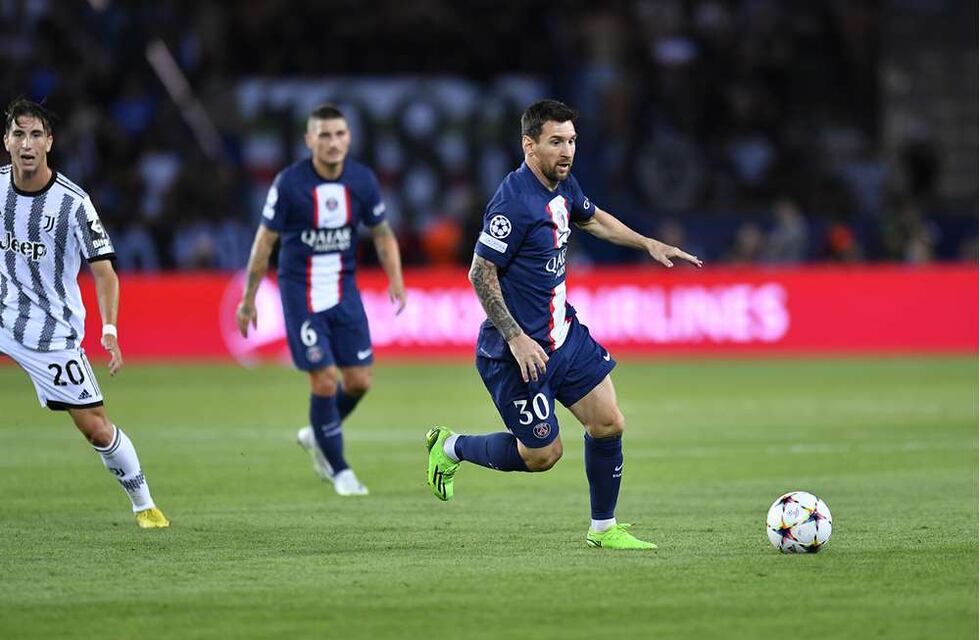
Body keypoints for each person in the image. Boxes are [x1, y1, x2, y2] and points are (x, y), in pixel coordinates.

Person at [425, 100, 702, 549]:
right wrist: (516, 338)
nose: (567, 150)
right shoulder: (512, 204)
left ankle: (604, 529)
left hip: (563, 335)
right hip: (516, 355)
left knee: (609, 423)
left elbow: (594, 220)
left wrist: (647, 243)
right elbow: (479, 272)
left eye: (571, 141)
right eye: (556, 142)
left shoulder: (562, 185)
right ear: (529, 145)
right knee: (542, 455)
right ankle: (450, 447)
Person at [0, 99, 169, 528]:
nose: (27, 143)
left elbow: (105, 273)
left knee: (95, 427)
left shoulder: (73, 203)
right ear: (6, 141)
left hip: (51, 334)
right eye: (18, 134)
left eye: (36, 134)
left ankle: (144, 505)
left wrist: (109, 328)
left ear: (49, 143)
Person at [237, 104, 406, 497]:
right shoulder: (290, 183)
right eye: (324, 135)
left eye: (340, 134)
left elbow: (381, 233)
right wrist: (248, 298)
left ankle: (318, 433)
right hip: (302, 295)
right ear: (309, 140)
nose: (333, 143)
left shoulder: (362, 180)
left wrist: (395, 277)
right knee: (326, 379)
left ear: (349, 137)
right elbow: (265, 241)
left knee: (360, 381)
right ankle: (340, 469)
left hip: (345, 293)